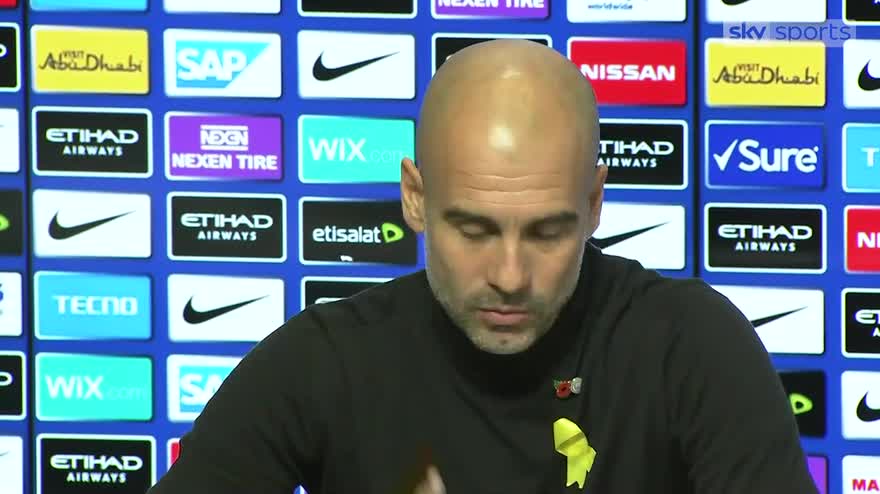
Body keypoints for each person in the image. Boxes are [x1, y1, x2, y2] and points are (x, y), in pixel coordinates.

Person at [148, 39, 818, 494]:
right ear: (415, 198)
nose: (510, 275)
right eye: (474, 230)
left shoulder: (691, 348)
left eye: (548, 232)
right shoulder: (325, 363)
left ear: (594, 204)